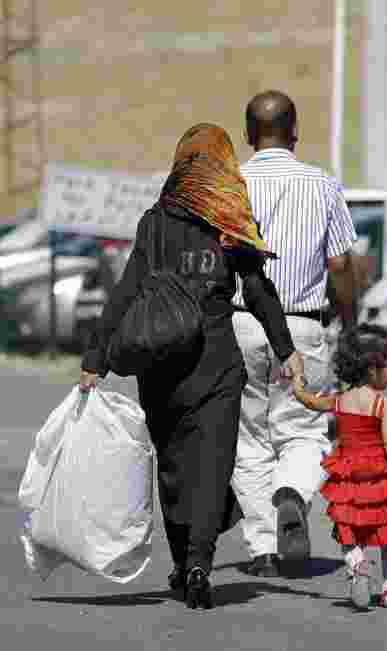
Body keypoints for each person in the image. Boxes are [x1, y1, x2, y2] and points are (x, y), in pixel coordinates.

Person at [79, 123, 302, 609]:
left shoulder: (155, 221)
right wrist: (286, 349)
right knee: (212, 467)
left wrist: (96, 357)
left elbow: (127, 291)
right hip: (216, 363)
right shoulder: (228, 217)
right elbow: (258, 290)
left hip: (159, 366)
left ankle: (184, 562)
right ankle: (200, 561)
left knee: (175, 470)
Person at [230, 90, 359, 578]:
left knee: (248, 437)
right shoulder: (321, 184)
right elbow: (342, 263)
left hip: (241, 323)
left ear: (248, 134)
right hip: (303, 324)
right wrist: (349, 319)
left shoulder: (231, 184)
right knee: (303, 430)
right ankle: (292, 493)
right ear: (295, 129)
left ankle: (263, 547)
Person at [292, 324, 387, 610]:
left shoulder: (340, 400)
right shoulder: (384, 404)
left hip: (349, 476)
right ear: (371, 367)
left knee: (349, 529)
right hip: (380, 476)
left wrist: (298, 385)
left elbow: (311, 402)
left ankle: (358, 564)